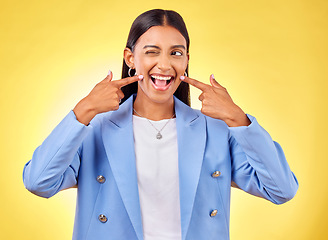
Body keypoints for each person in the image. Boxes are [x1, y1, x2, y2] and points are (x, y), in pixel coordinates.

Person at [23, 9, 298, 240]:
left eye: (176, 53)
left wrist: (239, 119)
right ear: (131, 58)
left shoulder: (215, 131)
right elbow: (39, 182)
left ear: (187, 60)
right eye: (152, 52)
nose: (164, 65)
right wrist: (85, 109)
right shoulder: (95, 128)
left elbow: (281, 190)